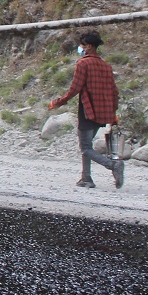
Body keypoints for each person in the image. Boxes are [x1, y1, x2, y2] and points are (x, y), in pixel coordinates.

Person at [48, 31, 125, 189]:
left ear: (89, 47)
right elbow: (114, 91)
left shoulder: (83, 64)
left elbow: (75, 89)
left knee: (85, 147)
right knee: (88, 144)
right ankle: (86, 178)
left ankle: (112, 165)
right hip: (104, 112)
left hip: (88, 110)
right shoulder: (106, 66)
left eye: (82, 45)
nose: (80, 48)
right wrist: (113, 113)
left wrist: (58, 102)